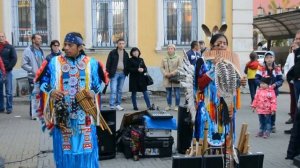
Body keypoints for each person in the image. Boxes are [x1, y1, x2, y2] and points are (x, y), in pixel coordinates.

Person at [35, 32, 105, 167]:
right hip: (63, 115)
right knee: (65, 151)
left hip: (84, 116)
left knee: (87, 150)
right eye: (64, 44)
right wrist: (52, 91)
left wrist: (92, 92)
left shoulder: (92, 63)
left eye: (70, 45)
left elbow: (99, 84)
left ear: (79, 47)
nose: (65, 48)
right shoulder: (54, 62)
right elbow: (42, 82)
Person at [194, 33, 246, 147]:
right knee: (206, 135)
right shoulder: (202, 61)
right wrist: (214, 67)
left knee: (225, 137)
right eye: (219, 43)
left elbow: (232, 86)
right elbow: (200, 85)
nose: (222, 46)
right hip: (208, 105)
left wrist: (240, 83)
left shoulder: (230, 62)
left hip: (226, 105)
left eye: (225, 44)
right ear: (212, 45)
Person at [255, 51, 283, 134]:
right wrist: (260, 84)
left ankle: (272, 125)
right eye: (267, 57)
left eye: (271, 57)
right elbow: (256, 79)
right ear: (265, 59)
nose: (269, 59)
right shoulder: (261, 68)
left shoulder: (277, 68)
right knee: (262, 109)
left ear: (274, 58)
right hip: (262, 93)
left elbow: (281, 80)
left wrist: (275, 84)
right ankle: (263, 126)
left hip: (273, 92)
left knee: (272, 108)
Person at [21, 34, 45, 119]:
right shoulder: (28, 50)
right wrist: (33, 70)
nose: (40, 40)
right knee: (33, 96)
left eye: (41, 39)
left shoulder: (41, 50)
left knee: (40, 95)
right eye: (38, 39)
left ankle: (39, 113)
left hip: (41, 77)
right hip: (33, 77)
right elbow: (23, 64)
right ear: (33, 40)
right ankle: (33, 114)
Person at [287, 30, 300, 160]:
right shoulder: (295, 53)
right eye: (296, 38)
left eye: (299, 39)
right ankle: (293, 152)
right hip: (296, 83)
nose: (297, 41)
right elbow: (292, 68)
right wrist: (292, 77)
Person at [106, 38, 129, 111]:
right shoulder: (113, 52)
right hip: (114, 73)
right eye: (120, 43)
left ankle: (118, 104)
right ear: (117, 44)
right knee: (113, 89)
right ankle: (112, 105)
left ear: (124, 44)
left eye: (123, 43)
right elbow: (108, 63)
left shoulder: (126, 54)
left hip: (122, 74)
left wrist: (126, 72)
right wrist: (108, 74)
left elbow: (127, 64)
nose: (121, 45)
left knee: (120, 90)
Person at [160, 44, 182, 111]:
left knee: (177, 93)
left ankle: (177, 106)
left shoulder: (178, 57)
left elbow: (180, 67)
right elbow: (161, 67)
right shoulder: (164, 58)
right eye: (168, 48)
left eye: (171, 48)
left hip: (176, 77)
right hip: (167, 77)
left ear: (174, 49)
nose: (170, 50)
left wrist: (172, 73)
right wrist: (165, 73)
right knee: (168, 93)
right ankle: (168, 105)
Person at [0, 32, 17, 114]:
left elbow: (14, 59)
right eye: (0, 36)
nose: (1, 38)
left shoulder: (10, 47)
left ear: (5, 37)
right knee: (0, 91)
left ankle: (9, 108)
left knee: (8, 91)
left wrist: (8, 68)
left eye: (2, 36)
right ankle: (1, 107)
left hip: (7, 72)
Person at [284, 42, 298, 129]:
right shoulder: (290, 55)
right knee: (293, 98)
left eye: (294, 46)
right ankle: (293, 116)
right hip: (291, 80)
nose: (293, 47)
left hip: (297, 79)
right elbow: (286, 66)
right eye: (292, 46)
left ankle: (296, 118)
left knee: (297, 100)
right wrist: (287, 75)